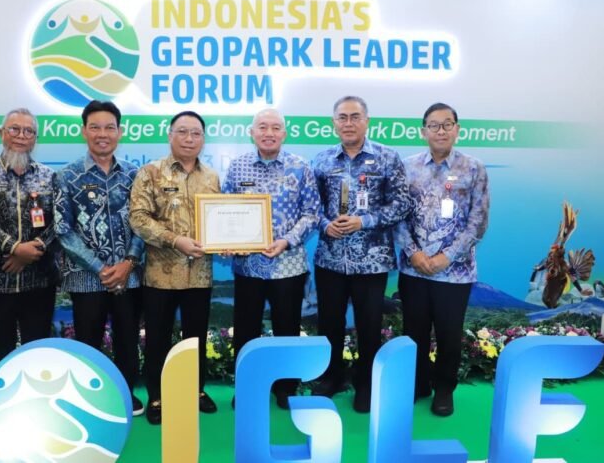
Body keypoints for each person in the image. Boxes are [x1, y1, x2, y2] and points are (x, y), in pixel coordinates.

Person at [312, 96, 412, 413]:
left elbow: (402, 204)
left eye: (355, 117)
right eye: (342, 117)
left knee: (369, 325)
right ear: (334, 123)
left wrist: (363, 221)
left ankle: (366, 382)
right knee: (329, 322)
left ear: (367, 121)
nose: (349, 123)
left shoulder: (387, 157)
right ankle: (331, 376)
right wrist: (325, 225)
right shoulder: (322, 160)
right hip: (330, 259)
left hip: (372, 261)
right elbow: (311, 206)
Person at [395, 102, 489, 416]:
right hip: (415, 269)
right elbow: (397, 216)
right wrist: (414, 253)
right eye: (434, 125)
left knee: (449, 334)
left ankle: (444, 389)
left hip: (454, 272)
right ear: (423, 132)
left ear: (457, 130)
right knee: (414, 332)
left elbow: (478, 221)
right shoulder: (407, 167)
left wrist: (446, 257)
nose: (441, 131)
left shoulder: (473, 168)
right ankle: (417, 384)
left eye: (447, 124)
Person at [222, 108, 319, 409]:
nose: (269, 133)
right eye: (262, 127)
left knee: (286, 328)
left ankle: (285, 387)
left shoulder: (300, 167)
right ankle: (248, 386)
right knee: (246, 329)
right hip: (248, 266)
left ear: (284, 134)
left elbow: (312, 214)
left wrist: (286, 240)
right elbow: (224, 210)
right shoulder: (238, 167)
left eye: (276, 127)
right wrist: (227, 240)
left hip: (288, 264)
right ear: (252, 133)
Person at [53, 100, 146, 417]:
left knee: (127, 339)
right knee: (88, 341)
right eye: (95, 127)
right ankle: (90, 399)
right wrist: (101, 268)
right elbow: (63, 230)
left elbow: (142, 224)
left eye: (109, 127)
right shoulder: (67, 176)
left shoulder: (134, 175)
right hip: (86, 278)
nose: (102, 134)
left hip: (128, 276)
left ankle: (126, 394)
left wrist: (129, 262)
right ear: (84, 131)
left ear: (120, 132)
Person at [130, 110, 220, 425]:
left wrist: (226, 240)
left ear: (203, 139)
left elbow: (220, 220)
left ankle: (196, 390)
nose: (189, 139)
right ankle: (157, 396)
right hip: (161, 275)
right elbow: (138, 218)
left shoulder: (211, 177)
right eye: (182, 131)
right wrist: (174, 240)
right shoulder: (150, 173)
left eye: (196, 133)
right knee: (158, 338)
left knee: (195, 337)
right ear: (170, 135)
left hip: (200, 275)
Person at [0, 107, 57, 371]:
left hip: (39, 282)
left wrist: (31, 251)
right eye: (15, 129)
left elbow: (59, 222)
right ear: (2, 133)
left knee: (37, 355)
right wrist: (14, 247)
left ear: (35, 138)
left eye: (29, 131)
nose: (21, 136)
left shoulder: (49, 176)